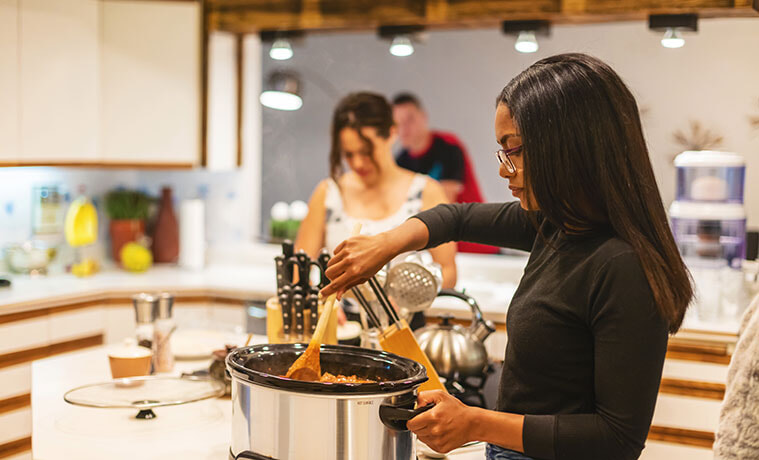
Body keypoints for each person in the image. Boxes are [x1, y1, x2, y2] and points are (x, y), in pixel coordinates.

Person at [322, 54, 693, 460]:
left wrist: (476, 422)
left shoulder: (622, 266)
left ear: (567, 147)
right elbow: (455, 216)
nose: (504, 170)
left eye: (512, 149)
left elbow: (616, 439)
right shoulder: (557, 225)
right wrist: (385, 244)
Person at [295, 92, 457, 327]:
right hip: (340, 328)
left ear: (392, 133)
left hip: (403, 326)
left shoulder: (425, 192)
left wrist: (410, 299)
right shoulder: (329, 193)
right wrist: (316, 301)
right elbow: (299, 268)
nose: (358, 163)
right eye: (349, 154)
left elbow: (448, 270)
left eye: (367, 152)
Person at [392, 93, 498, 254]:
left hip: (475, 243)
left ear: (423, 117)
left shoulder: (448, 146)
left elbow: (445, 204)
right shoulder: (401, 161)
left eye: (410, 120)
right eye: (398, 123)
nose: (404, 128)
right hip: (439, 246)